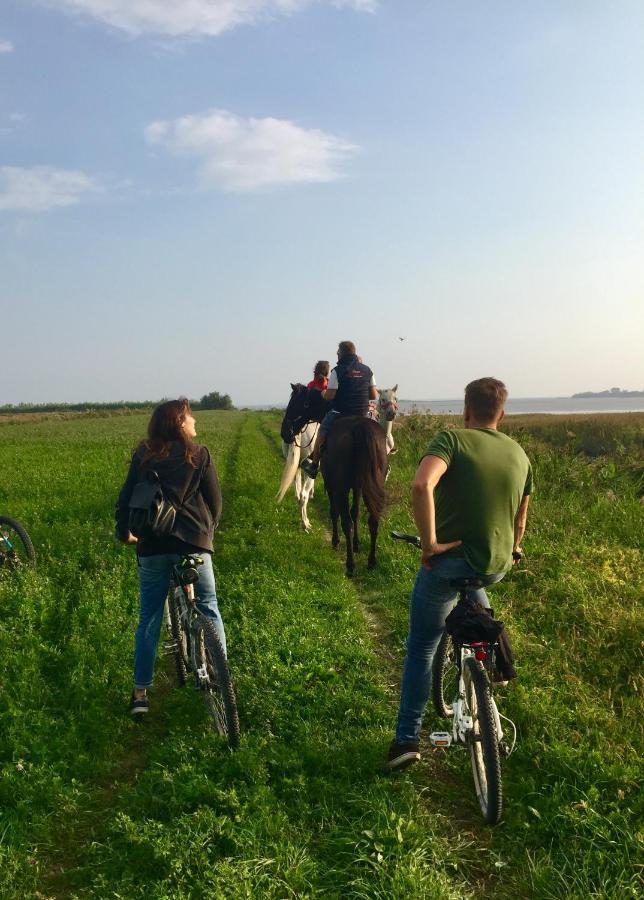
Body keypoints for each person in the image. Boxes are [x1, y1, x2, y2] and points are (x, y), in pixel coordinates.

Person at [384, 377, 532, 771]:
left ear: (466, 411)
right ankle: (499, 658)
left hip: (448, 564)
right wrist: (514, 549)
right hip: (495, 567)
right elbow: (521, 516)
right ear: (501, 413)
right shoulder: (519, 453)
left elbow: (420, 484)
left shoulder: (451, 439)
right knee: (476, 590)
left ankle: (406, 739)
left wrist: (430, 543)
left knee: (422, 647)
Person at [115, 399, 225, 716]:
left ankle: (140, 694)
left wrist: (125, 534)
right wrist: (206, 533)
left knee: (149, 618)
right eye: (191, 418)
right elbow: (215, 504)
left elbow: (125, 500)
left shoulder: (143, 456)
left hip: (151, 547)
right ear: (179, 423)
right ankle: (221, 674)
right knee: (208, 606)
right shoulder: (199, 455)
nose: (195, 424)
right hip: (194, 545)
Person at [301, 341, 378, 478]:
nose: (337, 355)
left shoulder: (337, 371)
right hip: (363, 413)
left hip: (341, 413)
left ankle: (314, 465)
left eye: (338, 352)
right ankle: (382, 463)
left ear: (341, 353)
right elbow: (374, 395)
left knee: (322, 431)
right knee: (379, 432)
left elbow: (330, 396)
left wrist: (323, 393)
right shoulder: (367, 370)